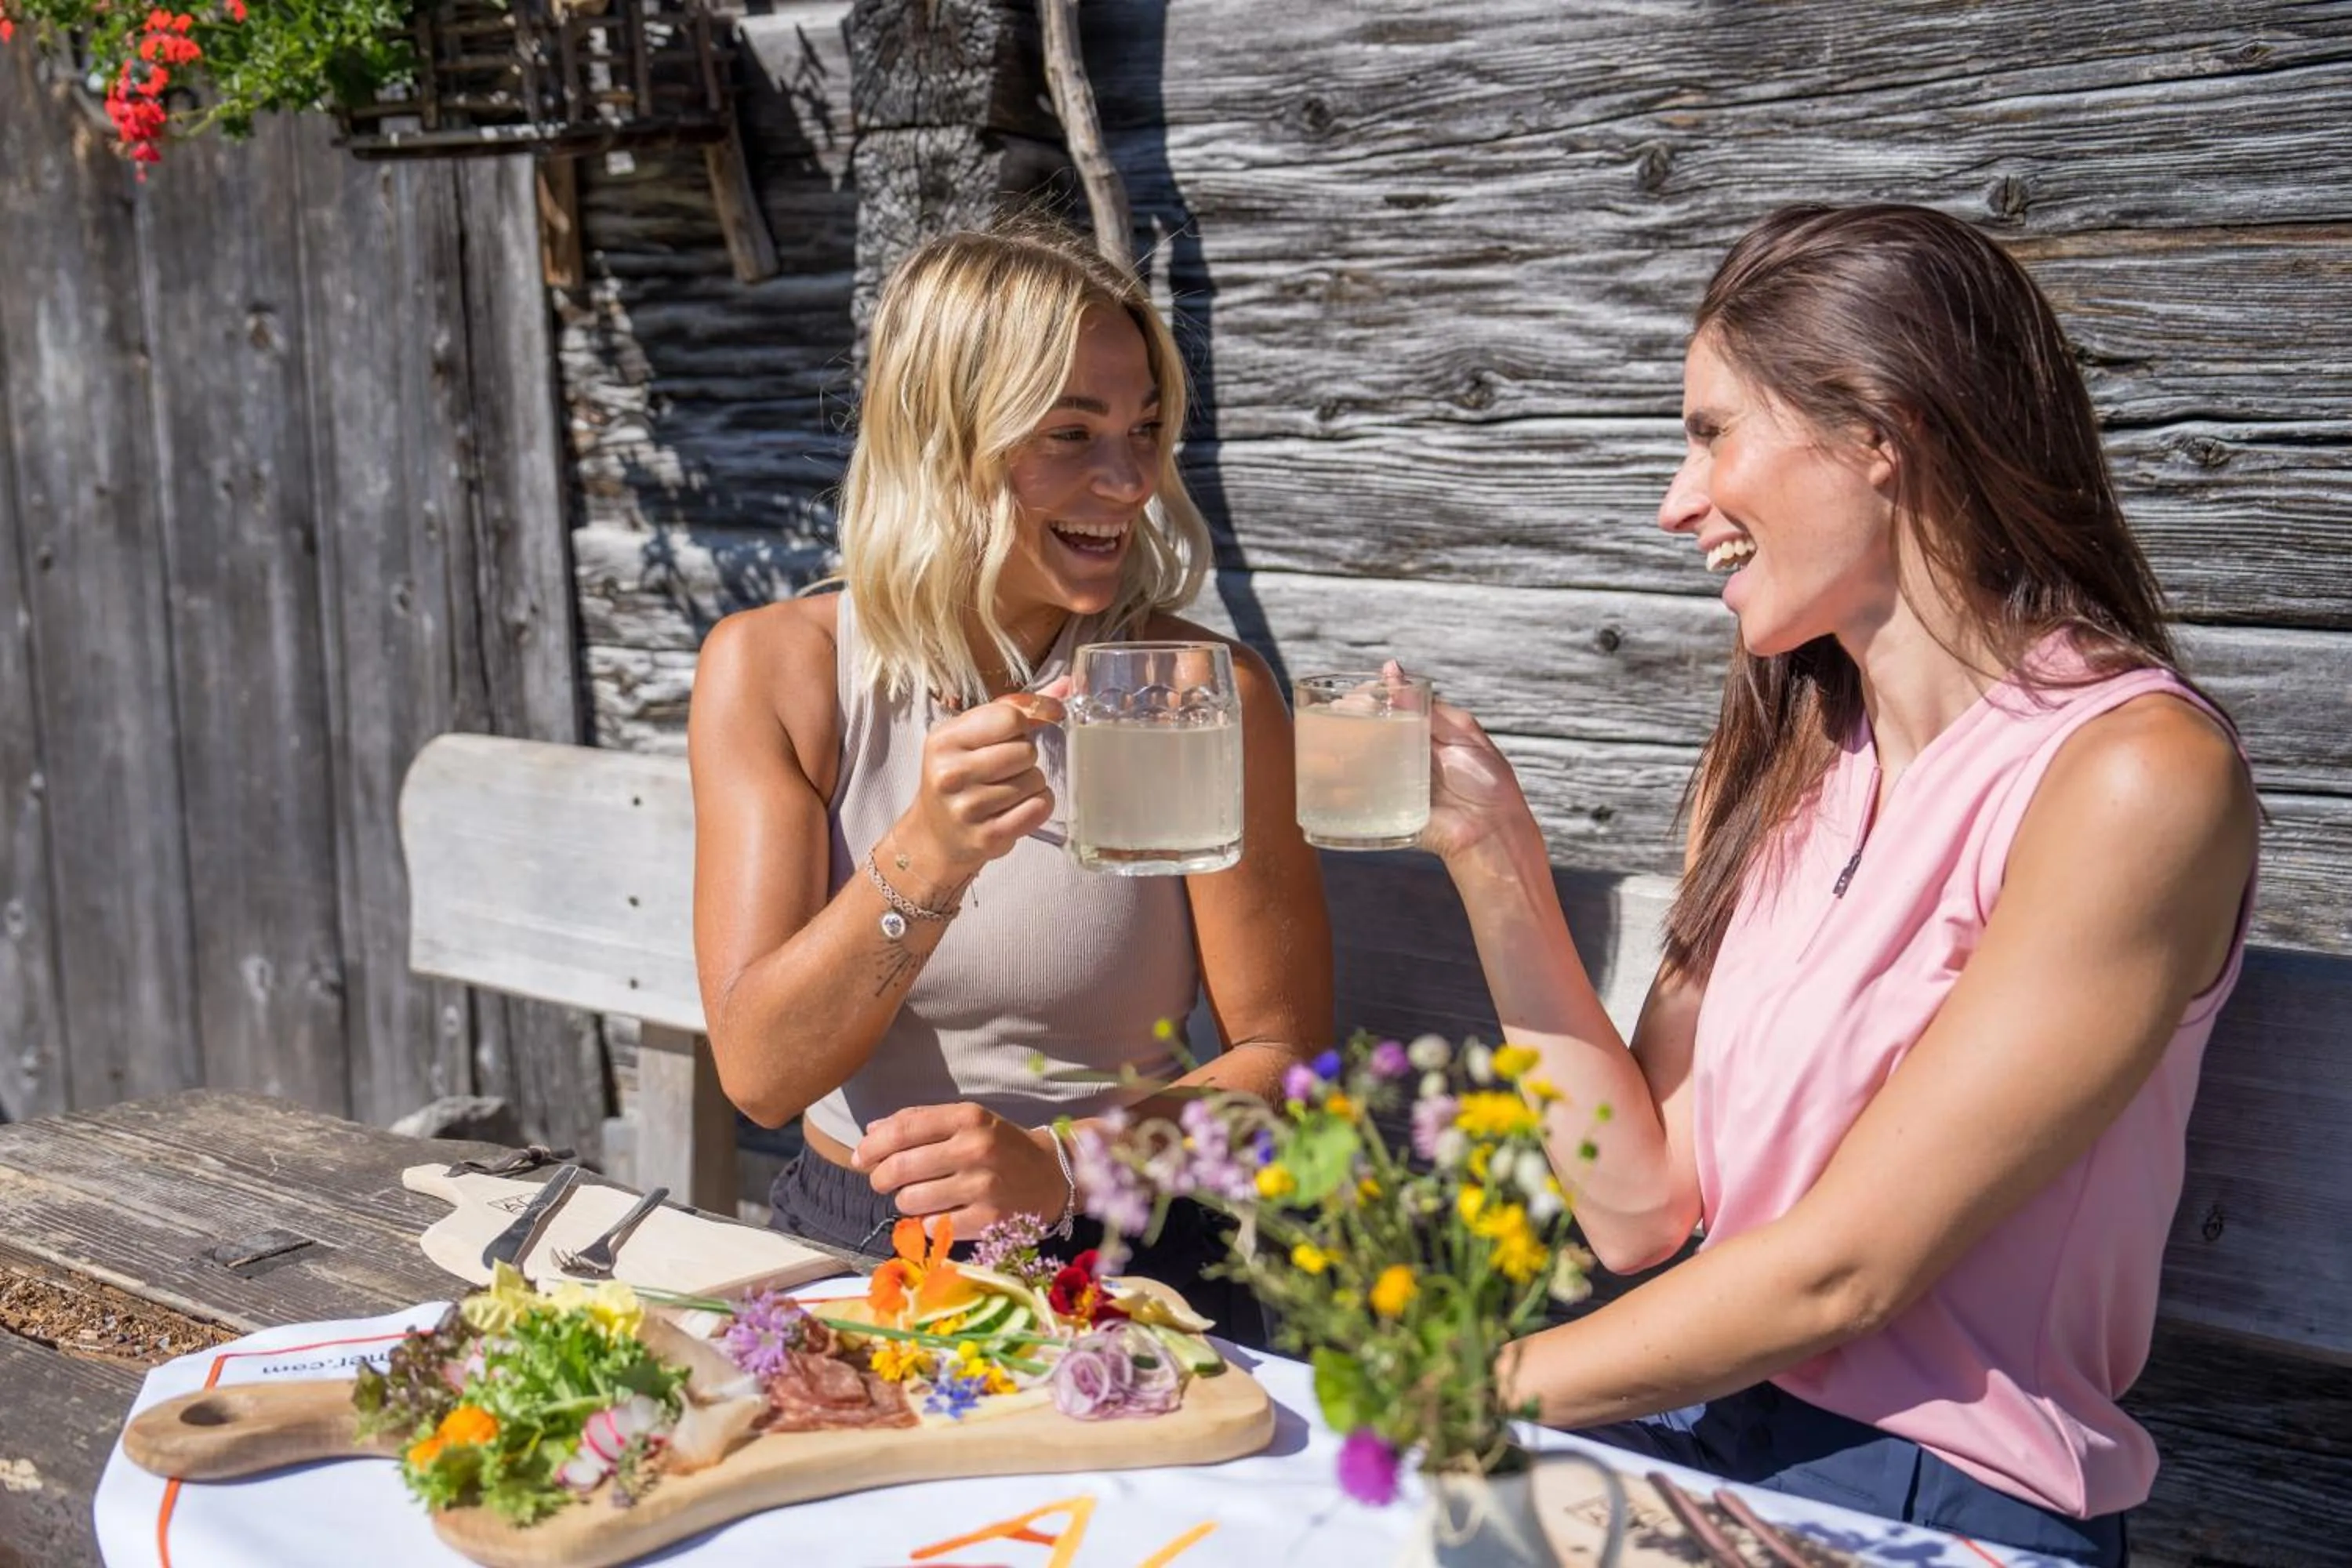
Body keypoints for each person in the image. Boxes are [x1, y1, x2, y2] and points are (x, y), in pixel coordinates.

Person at [1421, 205, 2256, 1564]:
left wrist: (1456, 1396)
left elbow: (1843, 1270)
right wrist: (1494, 861)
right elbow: (1638, 1210)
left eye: (1712, 433)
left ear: (1882, 432)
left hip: (1941, 1496)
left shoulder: (2132, 780)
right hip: (1697, 1437)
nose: (1676, 501)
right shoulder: (1784, 764)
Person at [686, 220, 1331, 1342]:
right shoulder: (779, 670)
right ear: (944, 442)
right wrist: (927, 855)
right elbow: (761, 1074)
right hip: (853, 1245)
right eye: (1071, 433)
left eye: (1143, 430)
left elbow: (1287, 1062)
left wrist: (1069, 1164)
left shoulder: (1195, 687)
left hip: (1139, 1261)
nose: (1127, 481)